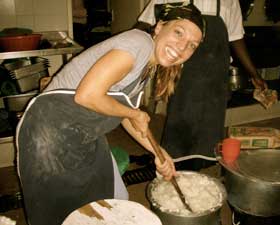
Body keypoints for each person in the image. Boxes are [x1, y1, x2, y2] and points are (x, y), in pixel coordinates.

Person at [15, 4, 205, 225]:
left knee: (112, 199)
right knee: (62, 216)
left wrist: (158, 152)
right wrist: (134, 113)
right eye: (178, 32)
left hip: (84, 135)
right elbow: (87, 96)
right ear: (159, 27)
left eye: (192, 45)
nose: (182, 47)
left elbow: (125, 115)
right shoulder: (139, 43)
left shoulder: (148, 66)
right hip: (47, 136)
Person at [136, 0, 268, 170]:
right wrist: (129, 49)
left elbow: (236, 37)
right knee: (181, 117)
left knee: (210, 121)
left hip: (215, 73)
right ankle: (174, 162)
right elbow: (146, 22)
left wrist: (254, 73)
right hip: (182, 69)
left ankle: (201, 163)